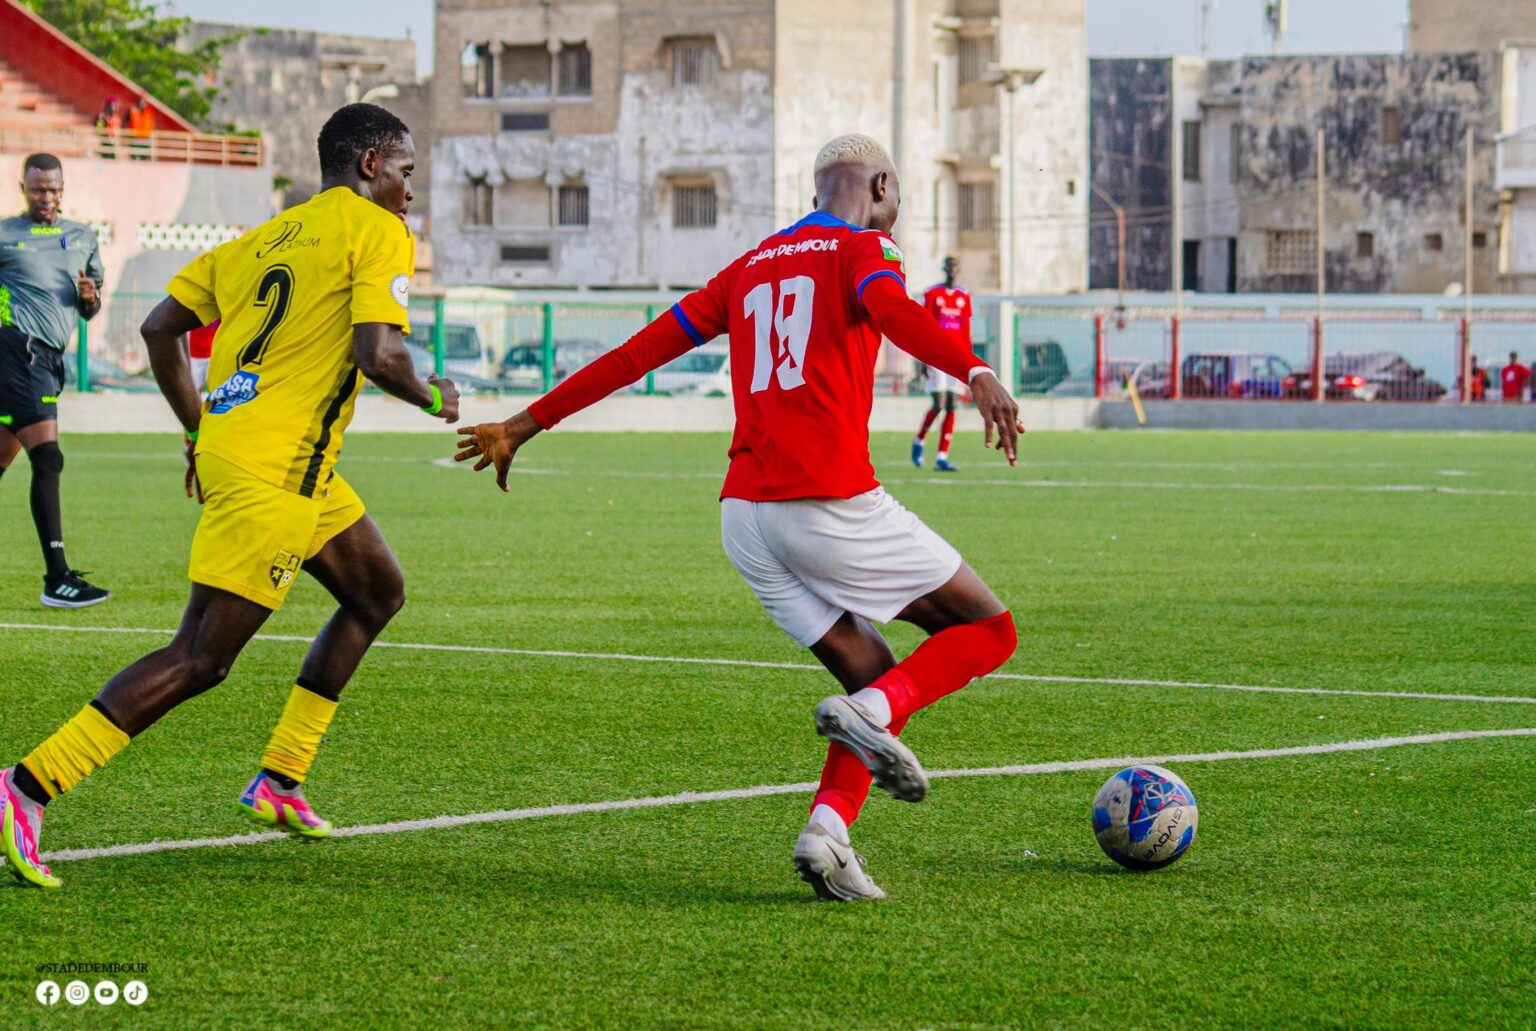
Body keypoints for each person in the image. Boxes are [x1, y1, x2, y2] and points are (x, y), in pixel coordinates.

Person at [455, 134, 1023, 902]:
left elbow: (637, 352)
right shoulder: (863, 249)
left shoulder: (749, 266)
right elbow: (894, 311)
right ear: (881, 185)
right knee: (988, 630)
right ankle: (868, 714)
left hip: (746, 521)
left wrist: (523, 424)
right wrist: (975, 368)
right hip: (823, 502)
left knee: (874, 671)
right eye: (898, 198)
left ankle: (828, 833)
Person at [0, 104, 460, 890]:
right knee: (200, 658)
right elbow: (379, 355)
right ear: (370, 164)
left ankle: (280, 777)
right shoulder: (377, 229)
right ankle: (28, 784)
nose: (410, 191)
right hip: (276, 469)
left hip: (267, 455)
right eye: (406, 172)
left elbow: (158, 327)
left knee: (377, 591)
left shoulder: (265, 236)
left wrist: (198, 430)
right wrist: (435, 394)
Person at [0, 153, 108, 607]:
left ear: (63, 189)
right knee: (48, 456)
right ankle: (57, 578)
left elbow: (89, 308)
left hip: (48, 357)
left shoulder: (82, 237)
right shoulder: (5, 234)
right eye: (38, 189)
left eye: (54, 189)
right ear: (22, 189)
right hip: (16, 348)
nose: (46, 197)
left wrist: (89, 298)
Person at [911, 255, 969, 472]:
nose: (952, 269)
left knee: (952, 405)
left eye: (956, 266)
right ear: (944, 269)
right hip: (936, 355)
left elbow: (966, 331)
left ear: (959, 270)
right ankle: (919, 439)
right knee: (939, 403)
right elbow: (924, 326)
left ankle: (942, 457)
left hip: (957, 356)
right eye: (949, 266)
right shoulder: (932, 294)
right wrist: (922, 359)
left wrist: (969, 362)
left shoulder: (964, 296)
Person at [127, 96, 154, 160]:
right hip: (135, 139)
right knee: (134, 158)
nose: (142, 104)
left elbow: (150, 127)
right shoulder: (132, 112)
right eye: (141, 102)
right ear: (137, 103)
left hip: (145, 139)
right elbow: (126, 123)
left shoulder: (148, 113)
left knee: (145, 158)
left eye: (144, 103)